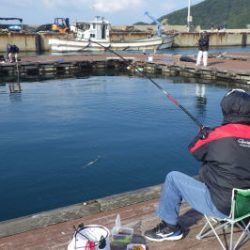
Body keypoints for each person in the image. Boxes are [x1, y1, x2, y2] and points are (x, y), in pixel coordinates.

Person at [144, 89, 250, 242]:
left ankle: (170, 228)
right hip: (246, 208)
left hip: (221, 207)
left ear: (225, 108)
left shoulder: (216, 134)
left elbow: (195, 151)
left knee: (173, 178)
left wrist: (202, 134)